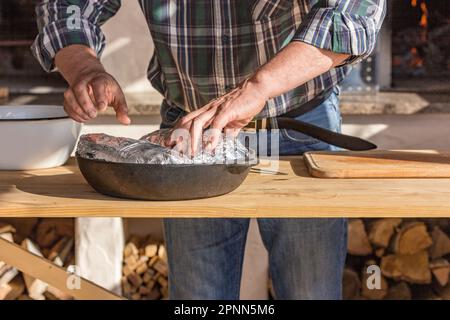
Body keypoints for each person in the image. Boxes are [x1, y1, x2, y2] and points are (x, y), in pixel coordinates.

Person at [33, 0, 386, 299]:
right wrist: (84, 68)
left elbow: (353, 12)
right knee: (198, 297)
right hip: (190, 136)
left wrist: (259, 88)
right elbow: (64, 6)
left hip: (299, 125)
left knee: (312, 291)